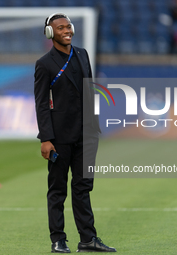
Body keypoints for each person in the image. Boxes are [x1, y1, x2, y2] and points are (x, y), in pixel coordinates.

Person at [34, 13, 116, 253]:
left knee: (83, 188)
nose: (66, 30)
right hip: (59, 138)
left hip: (86, 135)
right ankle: (58, 240)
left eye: (68, 26)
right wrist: (46, 138)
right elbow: (41, 103)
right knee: (58, 190)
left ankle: (88, 239)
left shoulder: (82, 54)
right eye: (60, 28)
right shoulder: (44, 63)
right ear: (50, 33)